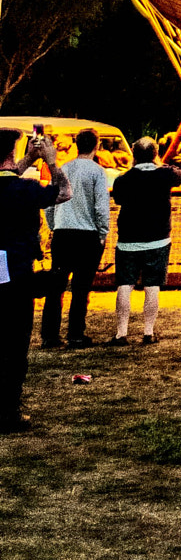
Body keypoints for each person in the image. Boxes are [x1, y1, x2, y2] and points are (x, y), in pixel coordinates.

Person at [0, 128, 72, 431]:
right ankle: (8, 411)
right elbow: (64, 192)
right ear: (12, 153)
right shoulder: (26, 189)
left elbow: (6, 174)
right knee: (14, 343)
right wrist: (51, 162)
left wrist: (28, 157)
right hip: (16, 271)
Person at [41, 126, 112, 349]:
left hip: (63, 233)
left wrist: (54, 226)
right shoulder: (97, 172)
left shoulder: (63, 169)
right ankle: (75, 334)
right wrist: (103, 232)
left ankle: (50, 335)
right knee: (81, 287)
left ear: (76, 145)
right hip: (87, 234)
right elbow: (101, 206)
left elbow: (49, 203)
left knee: (56, 286)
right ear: (96, 146)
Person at [110, 137, 181, 345]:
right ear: (155, 153)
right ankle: (148, 332)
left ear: (133, 154)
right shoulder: (166, 174)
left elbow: (119, 199)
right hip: (157, 239)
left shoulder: (124, 179)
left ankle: (121, 333)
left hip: (128, 239)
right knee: (152, 285)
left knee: (125, 284)